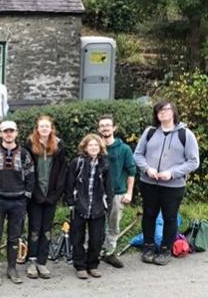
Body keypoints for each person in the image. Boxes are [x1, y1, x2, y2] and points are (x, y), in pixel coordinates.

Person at [133, 101, 199, 266]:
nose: (162, 113)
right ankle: (148, 247)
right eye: (158, 111)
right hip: (148, 183)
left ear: (173, 112)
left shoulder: (186, 134)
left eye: (165, 110)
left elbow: (193, 161)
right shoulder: (150, 132)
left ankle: (165, 250)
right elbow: (138, 155)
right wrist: (147, 169)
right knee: (149, 215)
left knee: (170, 218)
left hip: (173, 186)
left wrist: (172, 173)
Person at [0, 120, 34, 286]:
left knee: (14, 237)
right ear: (0, 134)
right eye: (5, 131)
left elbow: (31, 176)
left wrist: (26, 196)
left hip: (18, 200)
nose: (8, 134)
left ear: (16, 133)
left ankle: (12, 268)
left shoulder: (25, 154)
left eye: (11, 131)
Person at [24, 116, 68, 279]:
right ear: (37, 128)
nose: (44, 129)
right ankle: (32, 261)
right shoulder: (29, 145)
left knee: (47, 230)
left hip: (51, 195)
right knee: (35, 229)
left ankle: (42, 262)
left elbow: (63, 172)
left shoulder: (59, 146)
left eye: (47, 126)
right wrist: (35, 193)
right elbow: (27, 171)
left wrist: (56, 194)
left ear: (51, 129)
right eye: (41, 126)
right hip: (35, 195)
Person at [66, 134, 112, 280]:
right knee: (77, 237)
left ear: (100, 148)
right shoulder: (77, 162)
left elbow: (109, 185)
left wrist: (108, 203)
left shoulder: (105, 163)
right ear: (85, 147)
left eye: (96, 145)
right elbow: (69, 183)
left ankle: (93, 265)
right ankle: (80, 266)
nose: (93, 148)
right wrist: (70, 202)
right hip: (80, 205)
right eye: (90, 145)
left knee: (96, 238)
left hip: (98, 206)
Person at [98, 114, 136, 268]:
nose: (105, 128)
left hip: (118, 193)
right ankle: (96, 251)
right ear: (98, 129)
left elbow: (132, 171)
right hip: (97, 194)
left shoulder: (124, 149)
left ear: (114, 128)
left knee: (113, 225)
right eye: (102, 125)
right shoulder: (95, 147)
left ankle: (109, 253)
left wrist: (129, 193)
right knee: (97, 224)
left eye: (108, 125)